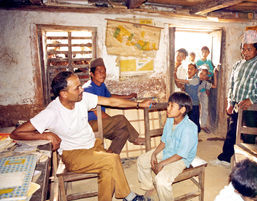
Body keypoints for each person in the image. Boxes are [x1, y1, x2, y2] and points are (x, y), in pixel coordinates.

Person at [10, 71, 155, 201]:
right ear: (64, 93)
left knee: (108, 169)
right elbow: (16, 133)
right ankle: (129, 197)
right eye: (77, 88)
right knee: (112, 159)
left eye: (80, 86)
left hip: (93, 146)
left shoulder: (82, 98)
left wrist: (138, 105)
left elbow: (110, 101)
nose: (82, 89)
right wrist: (46, 135)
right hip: (73, 155)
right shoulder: (52, 112)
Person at [211, 30, 257, 167]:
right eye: (243, 49)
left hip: (252, 109)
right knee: (231, 133)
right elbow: (232, 85)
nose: (245, 52)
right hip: (236, 107)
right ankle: (225, 159)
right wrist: (230, 102)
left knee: (249, 137)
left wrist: (252, 99)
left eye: (249, 49)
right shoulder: (237, 65)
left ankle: (248, 166)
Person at [137, 92, 198, 201]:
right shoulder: (170, 120)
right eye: (168, 105)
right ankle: (149, 186)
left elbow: (181, 154)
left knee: (162, 180)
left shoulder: (189, 128)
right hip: (168, 150)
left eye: (172, 106)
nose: (168, 109)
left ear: (182, 110)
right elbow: (164, 141)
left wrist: (162, 163)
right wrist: (154, 154)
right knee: (142, 160)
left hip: (181, 159)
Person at [83, 58, 145, 154]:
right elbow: (97, 112)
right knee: (120, 119)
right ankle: (135, 139)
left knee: (123, 133)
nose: (103, 74)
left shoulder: (102, 86)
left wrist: (128, 96)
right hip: (89, 124)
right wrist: (113, 122)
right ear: (91, 74)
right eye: (99, 71)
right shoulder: (88, 89)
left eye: (104, 71)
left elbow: (110, 97)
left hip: (101, 123)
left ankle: (110, 156)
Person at [196, 46, 217, 133]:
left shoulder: (209, 62)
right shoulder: (198, 62)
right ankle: (194, 125)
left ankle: (203, 125)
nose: (204, 53)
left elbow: (210, 73)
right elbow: (197, 72)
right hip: (196, 90)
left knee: (205, 107)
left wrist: (212, 74)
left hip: (205, 87)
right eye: (203, 52)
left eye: (206, 52)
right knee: (194, 108)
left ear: (208, 53)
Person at [174, 63, 201, 132]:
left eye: (191, 69)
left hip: (194, 104)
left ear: (196, 70)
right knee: (188, 121)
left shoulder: (196, 79)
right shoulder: (187, 79)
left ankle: (195, 137)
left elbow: (184, 81)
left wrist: (176, 78)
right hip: (188, 104)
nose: (189, 70)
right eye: (188, 69)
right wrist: (175, 74)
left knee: (194, 122)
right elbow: (180, 86)